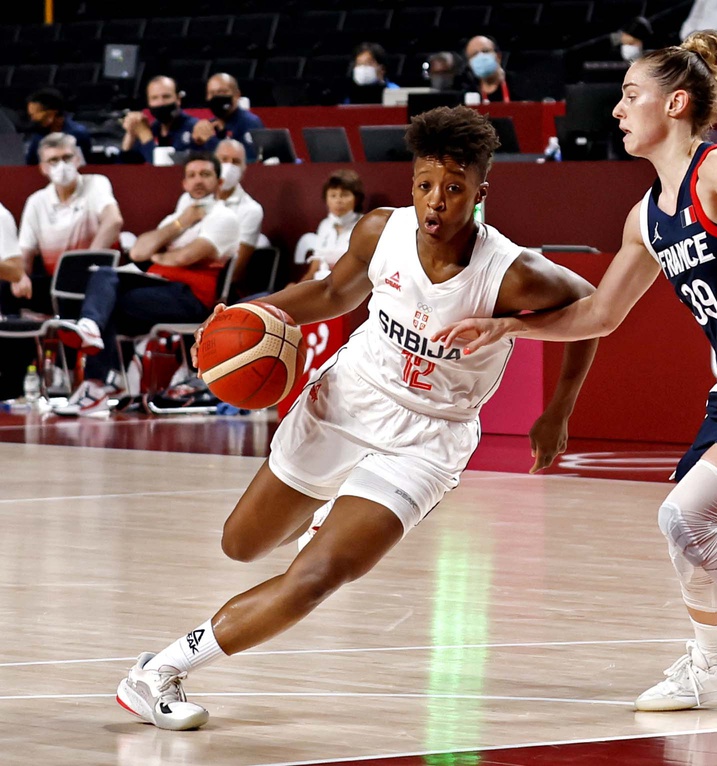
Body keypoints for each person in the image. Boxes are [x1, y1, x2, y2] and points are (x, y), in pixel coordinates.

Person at [113, 106, 598, 730]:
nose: (436, 202)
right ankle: (329, 506)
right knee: (242, 545)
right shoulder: (380, 232)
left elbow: (590, 309)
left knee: (316, 576)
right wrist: (247, 315)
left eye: (454, 189)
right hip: (347, 401)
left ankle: (158, 672)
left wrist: (558, 410)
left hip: (427, 439)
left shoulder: (513, 273)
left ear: (481, 192)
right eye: (425, 185)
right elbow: (331, 293)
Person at [436, 32, 717, 737]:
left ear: (677, 103)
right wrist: (509, 327)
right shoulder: (646, 217)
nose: (618, 110)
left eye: (632, 96)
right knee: (686, 533)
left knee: (688, 519)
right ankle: (716, 665)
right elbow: (599, 313)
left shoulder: (716, 166)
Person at [54, 153, 240, 416]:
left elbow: (186, 257)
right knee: (104, 275)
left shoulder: (224, 217)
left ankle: (96, 384)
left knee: (108, 303)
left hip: (190, 298)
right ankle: (90, 336)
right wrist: (181, 223)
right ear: (184, 183)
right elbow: (139, 252)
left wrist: (160, 256)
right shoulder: (177, 218)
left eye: (205, 174)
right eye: (192, 175)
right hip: (154, 291)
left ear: (219, 182)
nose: (198, 180)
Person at [11, 133, 122, 314]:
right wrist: (20, 277)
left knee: (102, 282)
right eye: (53, 160)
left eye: (67, 158)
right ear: (43, 168)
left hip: (99, 282)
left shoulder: (97, 183)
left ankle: (89, 326)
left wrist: (86, 264)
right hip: (57, 285)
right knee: (7, 286)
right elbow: (25, 253)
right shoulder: (36, 202)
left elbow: (114, 221)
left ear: (77, 159)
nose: (61, 165)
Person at [176, 139, 265, 285]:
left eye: (236, 162)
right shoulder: (188, 199)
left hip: (208, 282)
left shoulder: (250, 210)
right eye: (223, 159)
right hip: (174, 273)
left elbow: (235, 271)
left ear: (244, 169)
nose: (229, 166)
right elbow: (174, 241)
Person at [297, 169, 364, 281]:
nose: (338, 201)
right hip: (322, 282)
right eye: (333, 195)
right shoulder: (324, 225)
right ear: (326, 199)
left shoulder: (364, 225)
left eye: (345, 195)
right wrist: (297, 288)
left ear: (356, 199)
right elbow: (314, 266)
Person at [120, 76, 201, 165]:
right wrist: (130, 135)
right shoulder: (154, 128)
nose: (160, 103)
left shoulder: (193, 128)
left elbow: (164, 167)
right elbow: (121, 168)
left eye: (166, 97)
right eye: (154, 98)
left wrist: (145, 135)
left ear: (178, 99)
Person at [192, 73, 264, 162]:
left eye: (222, 92)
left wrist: (210, 141)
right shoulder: (209, 127)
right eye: (212, 93)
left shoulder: (250, 122)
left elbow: (249, 160)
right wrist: (197, 141)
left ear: (237, 95)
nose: (217, 97)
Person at [24, 88, 92, 167]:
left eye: (35, 114)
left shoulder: (77, 134)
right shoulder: (38, 137)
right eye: (31, 115)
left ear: (51, 114)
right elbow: (30, 165)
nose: (33, 119)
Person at [462, 35, 511, 103]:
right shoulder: (467, 94)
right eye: (474, 54)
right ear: (469, 64)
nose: (481, 56)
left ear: (498, 56)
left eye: (485, 51)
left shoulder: (520, 86)